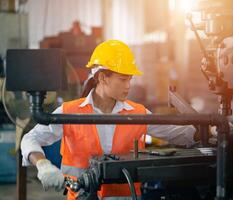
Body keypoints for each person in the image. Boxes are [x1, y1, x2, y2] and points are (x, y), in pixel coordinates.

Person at [21, 40, 198, 200]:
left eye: (130, 79)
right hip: (81, 196)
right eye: (123, 79)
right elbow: (30, 138)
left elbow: (181, 134)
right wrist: (43, 165)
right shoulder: (70, 112)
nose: (129, 85)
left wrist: (215, 129)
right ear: (102, 77)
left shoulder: (137, 113)